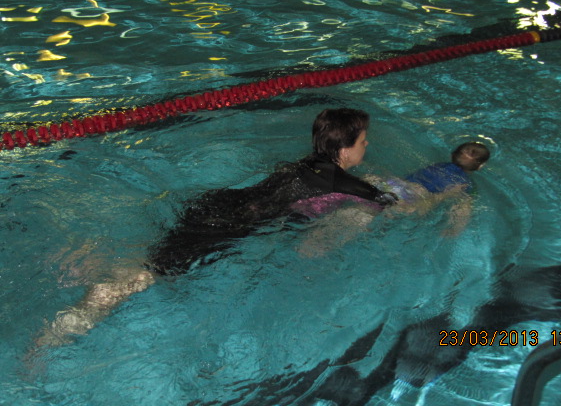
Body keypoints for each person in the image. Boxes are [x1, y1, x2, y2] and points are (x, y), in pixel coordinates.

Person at [35, 108, 396, 346]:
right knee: (145, 275)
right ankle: (64, 326)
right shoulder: (340, 181)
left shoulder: (310, 163)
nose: (368, 145)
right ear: (344, 150)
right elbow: (388, 202)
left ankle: (95, 269)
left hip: (219, 203)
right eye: (363, 140)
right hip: (229, 222)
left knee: (154, 257)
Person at [369, 142, 491, 236]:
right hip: (414, 199)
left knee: (374, 200)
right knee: (392, 215)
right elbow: (462, 211)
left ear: (452, 154)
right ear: (480, 166)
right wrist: (453, 231)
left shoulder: (438, 165)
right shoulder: (466, 184)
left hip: (396, 185)